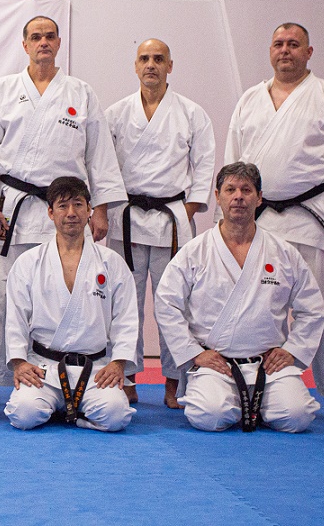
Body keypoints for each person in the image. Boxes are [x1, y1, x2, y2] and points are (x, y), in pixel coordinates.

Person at [0, 15, 126, 388]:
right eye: (36, 37)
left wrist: (100, 210)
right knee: (10, 295)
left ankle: (70, 374)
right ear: (24, 45)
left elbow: (100, 155)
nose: (43, 42)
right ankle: (11, 375)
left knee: (69, 290)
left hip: (68, 211)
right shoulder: (3, 90)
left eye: (49, 36)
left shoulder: (81, 93)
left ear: (58, 43)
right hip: (16, 210)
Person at [223, 22, 324, 424]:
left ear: (308, 52)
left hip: (315, 222)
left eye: (293, 44)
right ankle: (256, 389)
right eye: (278, 44)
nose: (285, 50)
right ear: (270, 51)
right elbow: (232, 164)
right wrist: (229, 218)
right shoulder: (250, 100)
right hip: (261, 222)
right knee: (257, 309)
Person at [154, 162, 324, 433]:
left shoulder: (282, 252)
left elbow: (313, 308)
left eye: (246, 190)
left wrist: (292, 350)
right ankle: (244, 404)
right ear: (218, 196)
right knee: (209, 415)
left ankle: (249, 404)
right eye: (230, 189)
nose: (238, 197)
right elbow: (166, 303)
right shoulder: (195, 251)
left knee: (298, 416)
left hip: (267, 364)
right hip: (216, 364)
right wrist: (194, 353)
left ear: (259, 198)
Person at [105, 38, 215, 407]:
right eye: (144, 58)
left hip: (172, 221)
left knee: (174, 304)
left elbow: (205, 165)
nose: (150, 64)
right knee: (124, 304)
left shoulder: (191, 113)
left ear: (170, 65)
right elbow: (103, 166)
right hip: (127, 221)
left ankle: (175, 380)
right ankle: (126, 376)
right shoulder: (116, 113)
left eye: (158, 59)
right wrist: (105, 210)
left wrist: (189, 209)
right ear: (135, 65)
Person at [4, 176, 139, 431]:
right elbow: (15, 318)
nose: (71, 213)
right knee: (23, 414)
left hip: (95, 369)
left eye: (78, 204)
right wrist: (20, 362)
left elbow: (126, 318)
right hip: (44, 368)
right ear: (50, 212)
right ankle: (69, 408)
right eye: (63, 206)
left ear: (89, 210)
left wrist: (118, 362)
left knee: (116, 416)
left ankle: (67, 413)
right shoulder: (28, 262)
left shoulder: (111, 262)